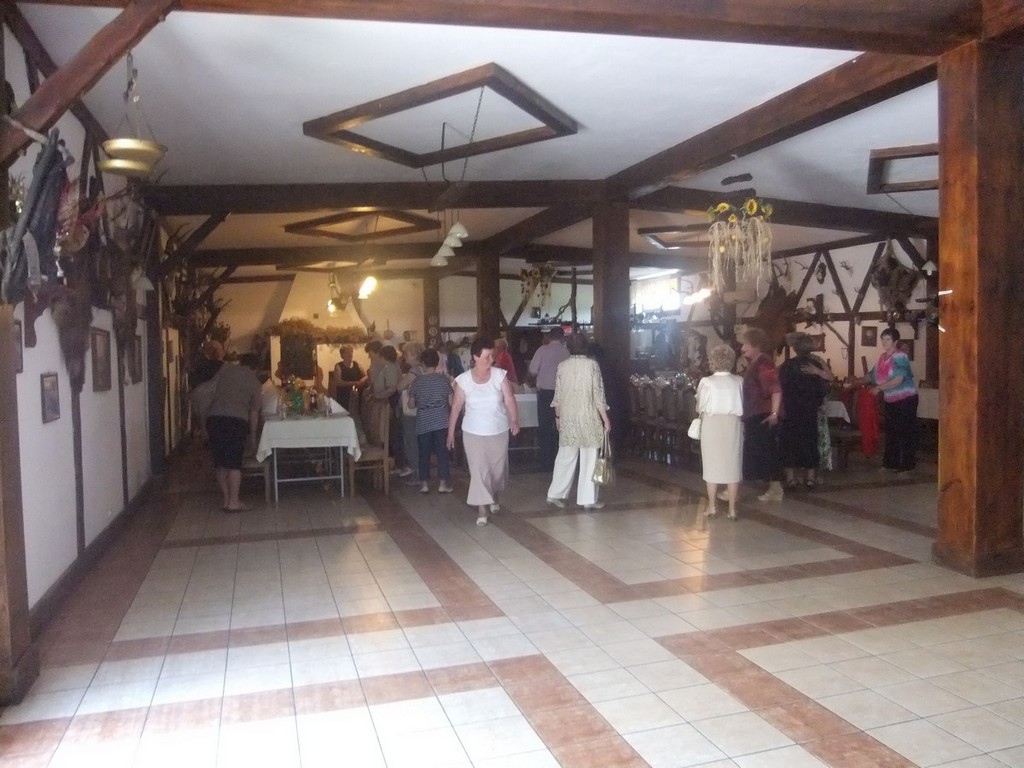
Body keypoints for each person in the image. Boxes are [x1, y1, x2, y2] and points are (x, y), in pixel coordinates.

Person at [446, 337, 520, 526]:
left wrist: (514, 419)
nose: (490, 360)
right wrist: (450, 432)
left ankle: (494, 496)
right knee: (479, 471)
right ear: (475, 357)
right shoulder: (463, 380)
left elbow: (509, 399)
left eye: (492, 356)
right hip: (473, 432)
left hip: (498, 430)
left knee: (497, 469)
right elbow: (456, 407)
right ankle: (482, 509)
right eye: (487, 357)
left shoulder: (499, 376)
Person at [545, 333, 611, 510]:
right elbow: (598, 395)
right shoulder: (592, 365)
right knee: (590, 459)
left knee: (565, 457)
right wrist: (605, 419)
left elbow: (558, 396)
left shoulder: (562, 366)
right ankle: (587, 499)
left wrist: (557, 417)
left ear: (568, 347)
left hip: (567, 417)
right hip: (588, 417)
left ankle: (555, 494)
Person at [853, 327, 918, 476]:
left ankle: (907, 465)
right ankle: (890, 463)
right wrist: (854, 383)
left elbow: (898, 379)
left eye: (887, 339)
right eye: (882, 339)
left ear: (895, 341)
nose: (884, 342)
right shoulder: (882, 357)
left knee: (904, 431)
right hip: (891, 399)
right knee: (891, 431)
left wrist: (879, 388)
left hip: (906, 399)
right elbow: (871, 376)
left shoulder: (900, 356)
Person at [205, 355, 262, 512]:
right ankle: (234, 502)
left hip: (214, 419)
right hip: (236, 422)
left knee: (220, 463)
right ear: (256, 368)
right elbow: (254, 413)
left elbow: (210, 391)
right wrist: (253, 437)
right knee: (234, 463)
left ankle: (226, 499)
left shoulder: (225, 371)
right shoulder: (255, 382)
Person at [778, 332, 832, 489]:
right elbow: (825, 387)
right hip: (810, 410)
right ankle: (810, 478)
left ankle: (791, 479)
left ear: (795, 348)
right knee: (810, 442)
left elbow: (780, 386)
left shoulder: (787, 366)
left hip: (790, 410)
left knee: (789, 444)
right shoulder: (816, 365)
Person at [697, 344, 744, 519]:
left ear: (712, 361)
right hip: (733, 423)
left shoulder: (707, 382)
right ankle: (732, 510)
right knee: (733, 464)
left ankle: (712, 506)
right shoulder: (739, 381)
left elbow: (700, 406)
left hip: (712, 423)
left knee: (711, 464)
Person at [740, 328, 785, 502]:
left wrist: (774, 413)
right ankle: (773, 488)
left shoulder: (764, 363)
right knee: (762, 451)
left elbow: (775, 388)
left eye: (745, 344)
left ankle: (776, 489)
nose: (743, 348)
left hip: (763, 415)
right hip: (756, 413)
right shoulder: (756, 362)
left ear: (755, 345)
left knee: (767, 452)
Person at [407, 347, 454, 494]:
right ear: (437, 362)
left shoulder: (417, 382)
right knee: (442, 453)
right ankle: (442, 484)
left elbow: (411, 404)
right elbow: (451, 402)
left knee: (424, 453)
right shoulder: (444, 381)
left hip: (423, 422)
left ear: (422, 363)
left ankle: (424, 484)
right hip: (441, 421)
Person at [528, 326, 569, 472]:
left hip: (545, 393)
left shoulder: (542, 350)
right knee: (561, 427)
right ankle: (561, 460)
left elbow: (532, 371)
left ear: (550, 337)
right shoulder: (566, 353)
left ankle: (546, 462)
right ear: (563, 337)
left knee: (545, 427)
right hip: (562, 394)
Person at [397, 342, 426, 482]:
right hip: (422, 409)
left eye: (407, 353)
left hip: (411, 410)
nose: (404, 356)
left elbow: (400, 386)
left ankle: (416, 472)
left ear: (414, 354)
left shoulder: (414, 371)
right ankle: (421, 471)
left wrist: (401, 382)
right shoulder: (424, 368)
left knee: (411, 441)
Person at [332, 344, 366, 411]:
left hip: (357, 396)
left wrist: (362, 380)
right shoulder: (338, 366)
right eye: (348, 352)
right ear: (342, 355)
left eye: (351, 351)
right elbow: (338, 382)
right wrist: (354, 383)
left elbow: (366, 375)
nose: (350, 354)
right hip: (344, 396)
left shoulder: (357, 364)